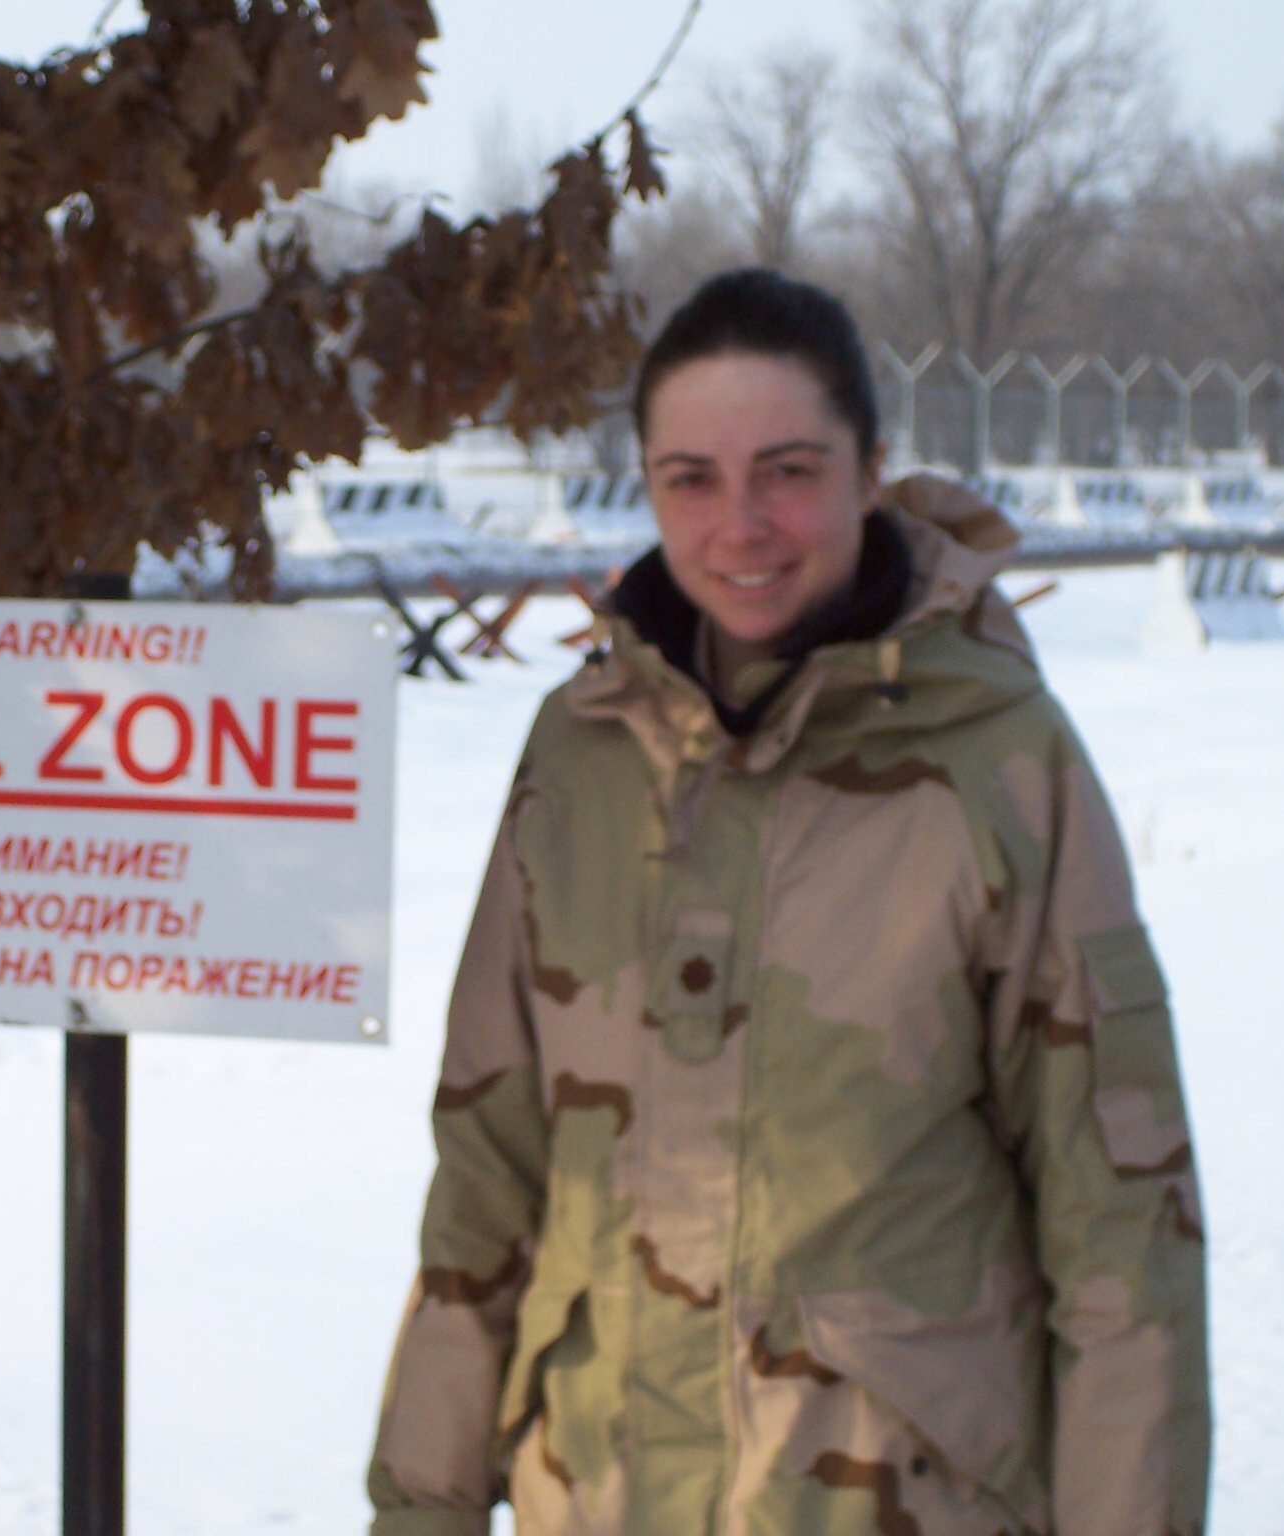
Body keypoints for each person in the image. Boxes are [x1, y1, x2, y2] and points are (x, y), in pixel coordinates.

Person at [367, 269, 1209, 1536]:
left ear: (871, 471)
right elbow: (485, 1171)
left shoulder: (999, 761)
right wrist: (422, 1508)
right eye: (688, 478)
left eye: (789, 471)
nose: (739, 525)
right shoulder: (578, 756)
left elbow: (1120, 1226)